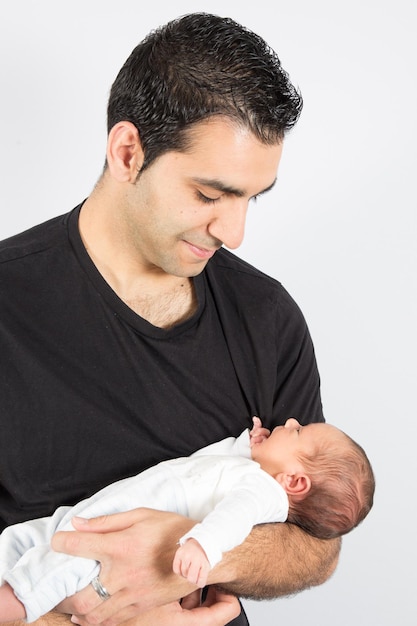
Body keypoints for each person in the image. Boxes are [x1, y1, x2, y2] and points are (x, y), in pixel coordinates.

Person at [0, 11, 344, 626]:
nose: (234, 233)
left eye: (251, 198)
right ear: (128, 152)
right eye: (210, 195)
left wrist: (189, 556)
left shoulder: (268, 316)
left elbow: (316, 544)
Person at [0, 417, 374, 623]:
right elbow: (209, 464)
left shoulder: (263, 494)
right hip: (90, 516)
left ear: (294, 482)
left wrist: (203, 545)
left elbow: (234, 516)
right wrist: (249, 445)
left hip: (112, 543)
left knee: (48, 575)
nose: (291, 420)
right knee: (24, 543)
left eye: (298, 432)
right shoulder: (250, 471)